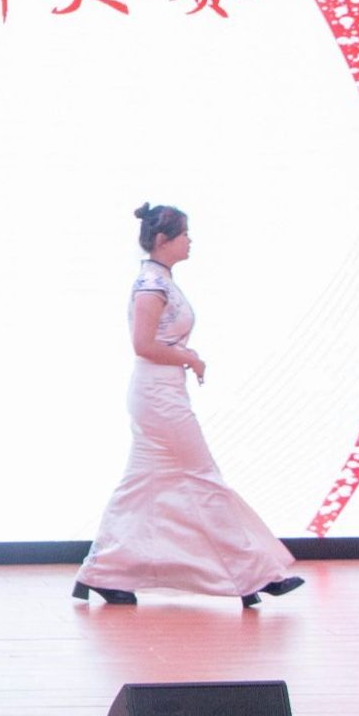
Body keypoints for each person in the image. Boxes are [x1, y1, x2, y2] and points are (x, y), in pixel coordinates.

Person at [73, 203, 305, 608]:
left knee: (139, 487)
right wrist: (189, 358)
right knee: (204, 478)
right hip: (158, 396)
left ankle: (100, 573)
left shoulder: (160, 279)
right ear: (164, 240)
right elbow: (143, 345)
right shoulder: (151, 284)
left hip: (162, 392)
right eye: (184, 234)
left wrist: (184, 357)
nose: (190, 241)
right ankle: (255, 573)